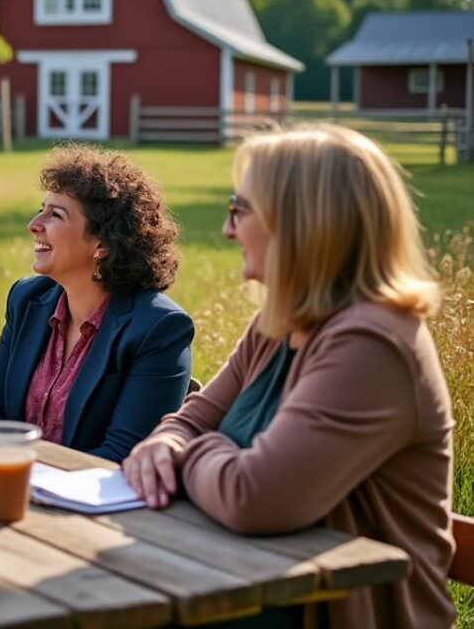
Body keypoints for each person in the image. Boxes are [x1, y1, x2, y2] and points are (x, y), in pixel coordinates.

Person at [122, 125, 453, 628]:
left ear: (301, 223)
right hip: (243, 588)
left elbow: (254, 497)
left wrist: (190, 453)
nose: (228, 229)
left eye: (241, 210)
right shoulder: (279, 324)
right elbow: (193, 419)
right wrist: (169, 442)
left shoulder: (372, 345)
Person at [0, 148, 194, 462]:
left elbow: (122, 454)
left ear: (102, 244)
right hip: (11, 480)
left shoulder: (158, 328)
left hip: (88, 501)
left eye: (56, 215)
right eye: (41, 209)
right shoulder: (26, 300)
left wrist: (31, 478)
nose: (34, 224)